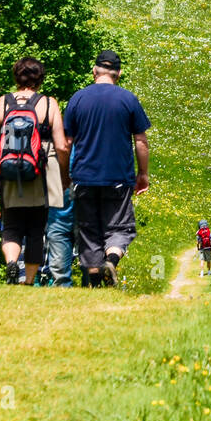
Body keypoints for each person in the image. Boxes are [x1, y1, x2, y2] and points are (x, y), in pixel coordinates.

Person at [63, 50, 151, 288]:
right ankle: (111, 260)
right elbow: (140, 141)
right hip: (118, 178)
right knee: (120, 227)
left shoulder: (77, 99)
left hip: (84, 177)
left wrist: (64, 175)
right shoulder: (128, 99)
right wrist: (143, 174)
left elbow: (66, 143)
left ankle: (93, 281)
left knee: (89, 232)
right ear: (118, 74)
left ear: (94, 71)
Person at [0, 58, 70, 286]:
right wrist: (64, 176)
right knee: (36, 227)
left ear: (16, 76)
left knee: (12, 223)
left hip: (9, 170)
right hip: (40, 171)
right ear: (40, 78)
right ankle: (29, 280)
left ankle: (12, 262)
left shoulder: (3, 102)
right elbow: (62, 146)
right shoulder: (49, 103)